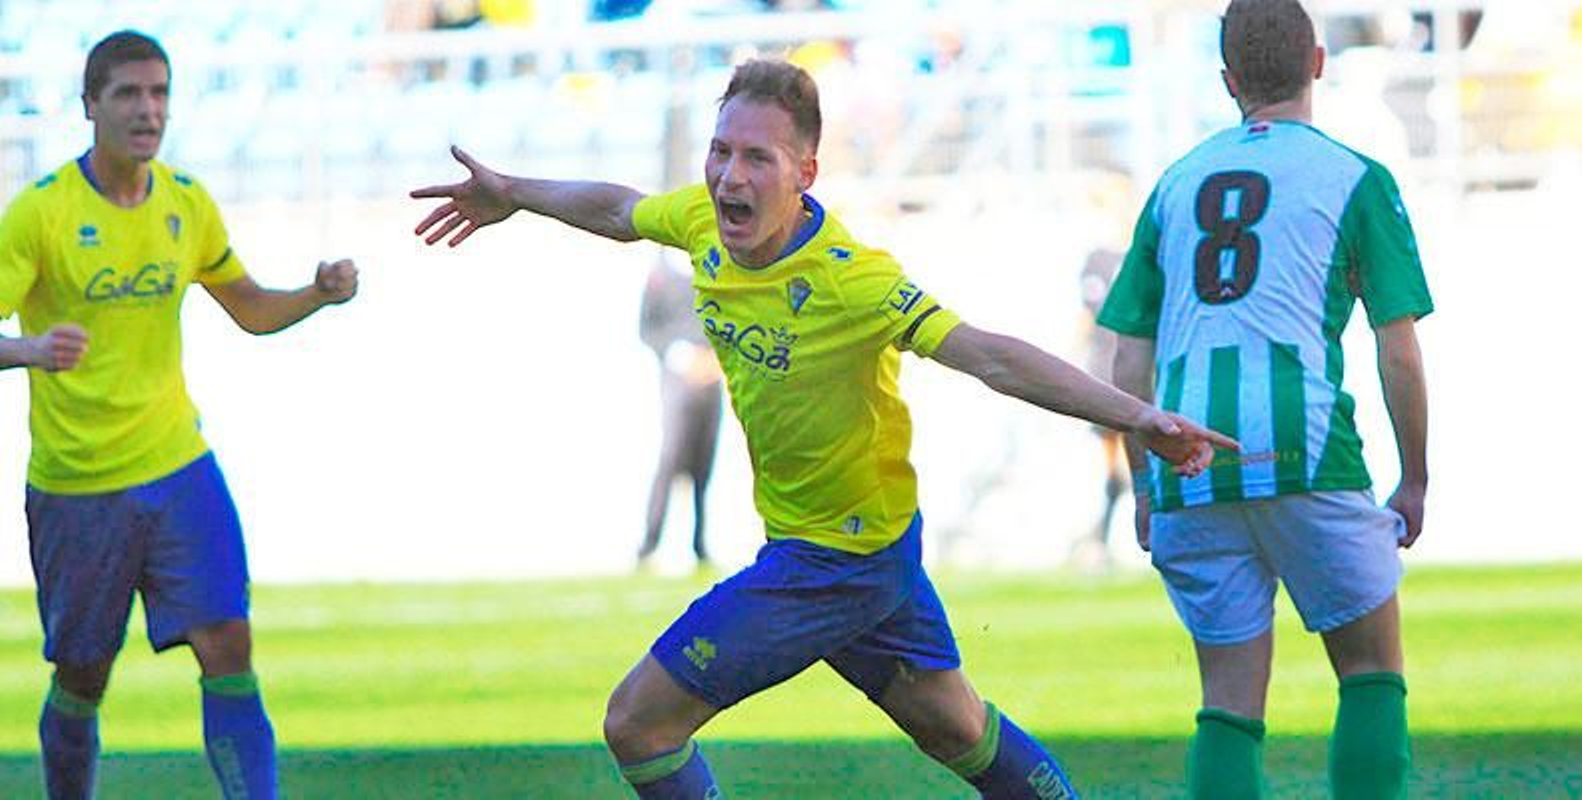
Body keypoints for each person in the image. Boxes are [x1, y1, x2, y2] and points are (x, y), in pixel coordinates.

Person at [412, 59, 1234, 799]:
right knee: (957, 728)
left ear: (806, 173)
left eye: (756, 158)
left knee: (639, 724)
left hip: (829, 562)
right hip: (869, 545)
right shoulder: (703, 222)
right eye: (721, 151)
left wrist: (1138, 415)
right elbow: (620, 209)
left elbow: (989, 356)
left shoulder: (856, 283)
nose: (730, 176)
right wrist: (514, 192)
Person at [0, 31, 359, 799]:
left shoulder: (186, 202)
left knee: (228, 639)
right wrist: (26, 350)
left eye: (159, 92)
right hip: (78, 486)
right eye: (129, 93)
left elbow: (252, 310)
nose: (148, 109)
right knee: (83, 674)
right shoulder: (40, 213)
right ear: (89, 105)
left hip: (177, 465)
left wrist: (316, 294)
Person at [1097, 2, 1431, 798]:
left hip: (1190, 462)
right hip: (1309, 450)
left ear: (1227, 81)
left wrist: (1144, 485)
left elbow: (1127, 357)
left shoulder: (1174, 185)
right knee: (1371, 673)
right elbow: (1399, 349)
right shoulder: (1355, 176)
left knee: (1228, 702)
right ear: (1318, 62)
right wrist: (1415, 476)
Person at [637, 253, 723, 569]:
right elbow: (647, 329)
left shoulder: (713, 264)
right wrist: (679, 354)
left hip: (711, 377)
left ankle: (700, 545)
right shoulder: (660, 272)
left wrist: (716, 359)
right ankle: (649, 544)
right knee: (671, 457)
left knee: (704, 462)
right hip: (677, 379)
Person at [1071, 247, 1129, 571]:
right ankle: (1105, 542)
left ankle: (1104, 542)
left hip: (1124, 367)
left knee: (1123, 468)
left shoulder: (1145, 246)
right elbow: (1087, 316)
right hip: (1109, 369)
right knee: (1118, 468)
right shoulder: (1099, 258)